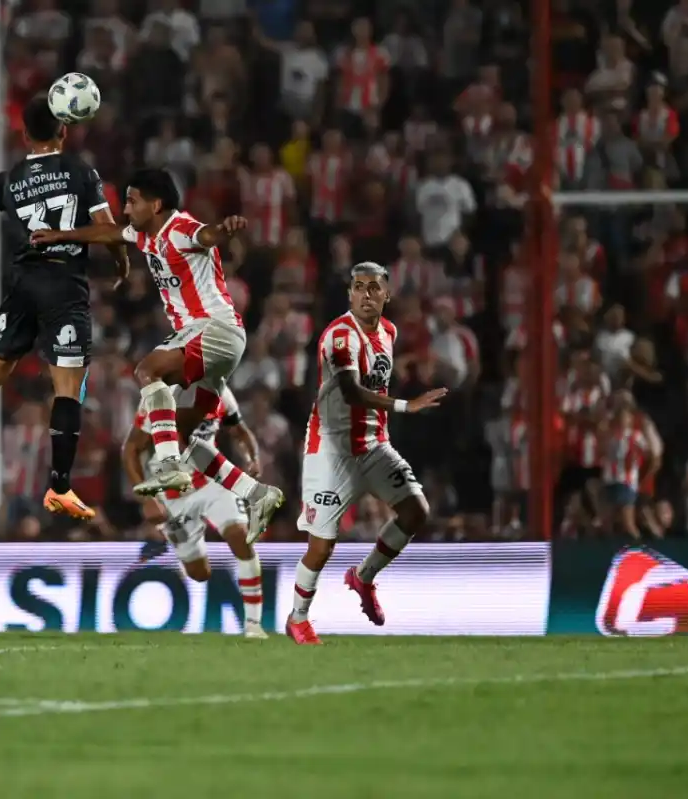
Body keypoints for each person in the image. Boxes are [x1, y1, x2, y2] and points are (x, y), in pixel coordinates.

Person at [32, 167, 283, 537]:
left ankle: (167, 465)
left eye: (133, 201)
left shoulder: (179, 228)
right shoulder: (146, 235)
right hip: (215, 343)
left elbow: (206, 235)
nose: (127, 208)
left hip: (213, 329)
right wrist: (59, 235)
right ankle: (257, 493)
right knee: (187, 439)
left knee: (147, 370)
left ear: (156, 203)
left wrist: (223, 230)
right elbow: (108, 233)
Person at [0, 95, 130, 521]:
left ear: (24, 135)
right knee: (67, 386)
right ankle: (59, 485)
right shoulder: (81, 171)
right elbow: (109, 231)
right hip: (64, 286)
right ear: (63, 131)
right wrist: (122, 262)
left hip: (22, 285)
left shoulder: (9, 178)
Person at [286, 262, 447, 645]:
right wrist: (409, 406)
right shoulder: (340, 336)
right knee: (322, 546)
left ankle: (363, 576)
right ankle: (298, 618)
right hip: (330, 451)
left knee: (416, 509)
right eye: (358, 287)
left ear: (387, 295)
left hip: (373, 444)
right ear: (349, 294)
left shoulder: (389, 332)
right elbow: (351, 393)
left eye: (374, 288)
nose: (366, 295)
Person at [123, 384, 268, 639]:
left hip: (211, 481)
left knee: (240, 538)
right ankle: (186, 544)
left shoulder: (220, 392)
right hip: (172, 494)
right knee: (199, 574)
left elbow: (240, 432)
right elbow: (131, 449)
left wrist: (252, 457)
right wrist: (144, 498)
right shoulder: (157, 398)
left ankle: (254, 625)